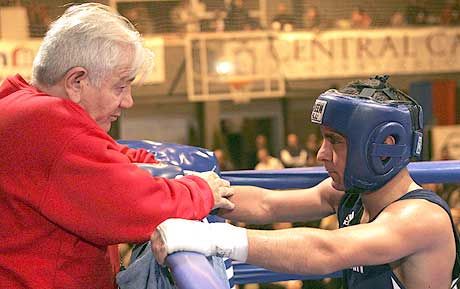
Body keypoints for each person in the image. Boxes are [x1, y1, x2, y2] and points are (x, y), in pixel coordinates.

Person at [0, 3, 234, 289]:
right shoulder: (47, 121)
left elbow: (101, 156)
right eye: (120, 87)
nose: (127, 101)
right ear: (77, 81)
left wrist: (157, 166)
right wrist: (202, 191)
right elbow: (137, 205)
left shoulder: (22, 105)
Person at [152, 75, 460, 289]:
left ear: (383, 144)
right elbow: (266, 203)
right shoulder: (351, 195)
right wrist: (181, 193)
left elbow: (326, 251)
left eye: (334, 141)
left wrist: (215, 238)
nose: (321, 154)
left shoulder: (420, 219)